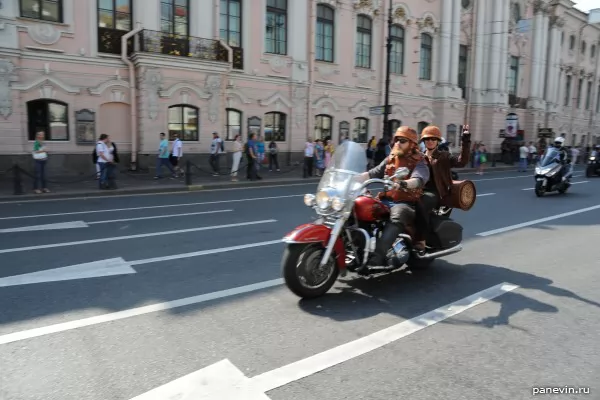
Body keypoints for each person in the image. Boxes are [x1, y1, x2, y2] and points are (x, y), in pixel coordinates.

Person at [357, 126, 430, 267]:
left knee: (397, 215)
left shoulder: (419, 160)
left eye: (402, 140)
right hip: (386, 199)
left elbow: (419, 179)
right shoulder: (391, 157)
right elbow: (374, 172)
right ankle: (359, 248)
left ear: (412, 144)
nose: (397, 143)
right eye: (396, 140)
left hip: (406, 202)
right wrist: (353, 177)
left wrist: (403, 183)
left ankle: (377, 257)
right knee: (360, 207)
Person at [414, 125, 471, 252]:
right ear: (423, 141)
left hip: (436, 192)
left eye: (433, 139)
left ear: (438, 141)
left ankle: (421, 240)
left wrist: (465, 140)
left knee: (421, 204)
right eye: (427, 139)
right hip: (419, 190)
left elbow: (462, 161)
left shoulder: (444, 156)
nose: (430, 141)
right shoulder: (419, 156)